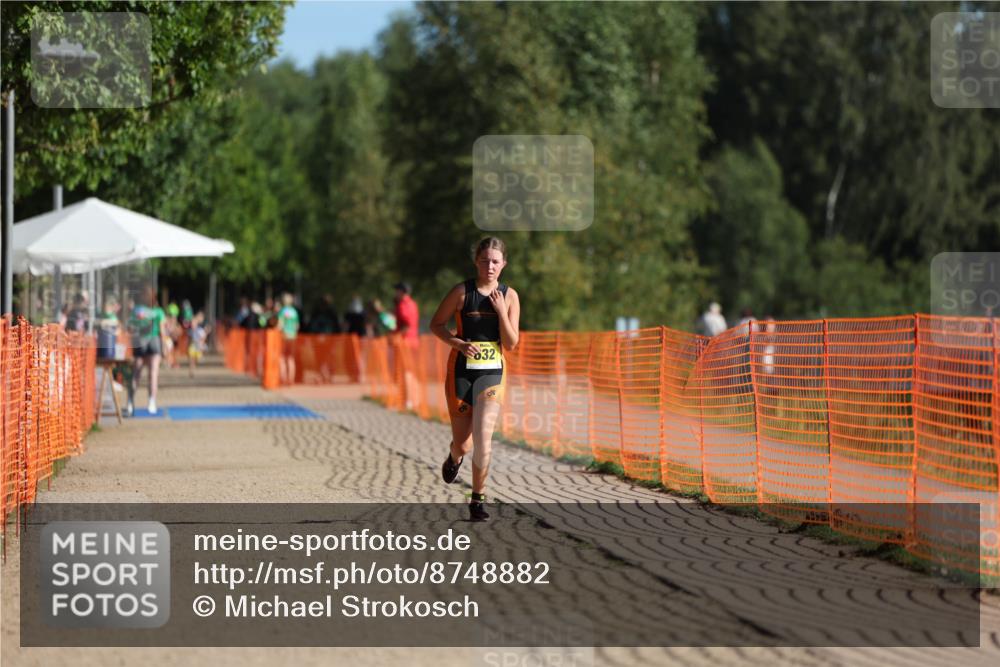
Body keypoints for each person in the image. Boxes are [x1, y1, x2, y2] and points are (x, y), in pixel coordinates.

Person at [430, 237, 520, 522]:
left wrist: (501, 312)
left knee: (483, 440)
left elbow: (511, 343)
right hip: (461, 373)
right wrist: (457, 343)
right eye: (484, 261)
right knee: (464, 444)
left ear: (504, 264)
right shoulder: (461, 292)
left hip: (492, 374)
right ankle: (454, 457)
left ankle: (478, 499)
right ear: (476, 262)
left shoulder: (510, 296)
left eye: (495, 261)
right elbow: (436, 324)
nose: (490, 266)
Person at [128, 287, 166, 416]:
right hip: (154, 341)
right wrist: (164, 347)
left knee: (136, 373)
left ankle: (130, 401)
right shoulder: (159, 311)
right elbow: (162, 331)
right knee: (153, 373)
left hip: (140, 341)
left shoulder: (137, 310)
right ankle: (152, 402)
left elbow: (130, 328)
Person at [277, 292, 300, 384]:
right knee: (291, 358)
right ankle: (291, 378)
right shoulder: (294, 312)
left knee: (282, 357)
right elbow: (297, 326)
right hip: (293, 336)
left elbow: (280, 325)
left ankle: (283, 378)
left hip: (284, 336)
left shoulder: (282, 311)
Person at [187, 311, 209, 378]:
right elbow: (189, 338)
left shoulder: (201, 330)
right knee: (191, 359)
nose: (193, 324)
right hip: (193, 345)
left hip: (198, 346)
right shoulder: (191, 331)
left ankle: (193, 368)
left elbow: (203, 338)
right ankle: (191, 371)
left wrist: (201, 344)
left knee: (195, 360)